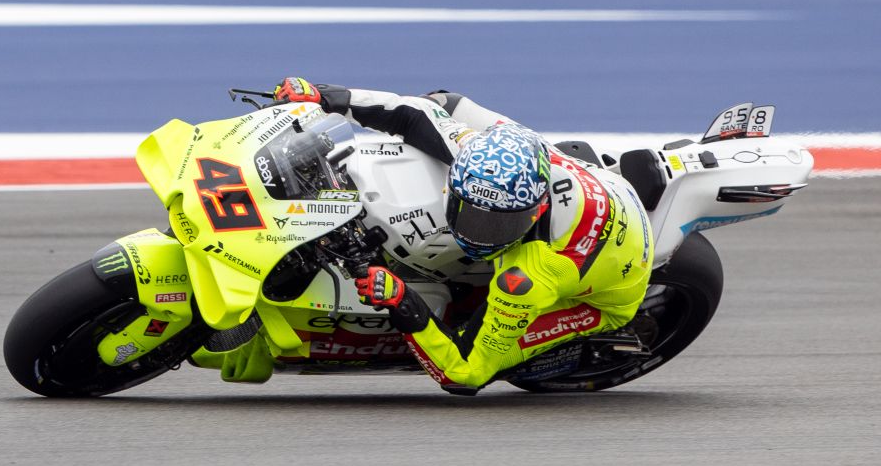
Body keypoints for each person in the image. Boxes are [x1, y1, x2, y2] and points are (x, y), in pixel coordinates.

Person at [218, 77, 654, 395]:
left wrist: (401, 300)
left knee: (484, 351)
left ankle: (559, 344)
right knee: (442, 100)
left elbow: (463, 374)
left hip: (604, 291)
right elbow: (415, 113)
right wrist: (323, 96)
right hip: (586, 182)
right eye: (470, 212)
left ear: (535, 210)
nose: (476, 232)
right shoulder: (485, 148)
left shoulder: (528, 277)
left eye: (496, 226)